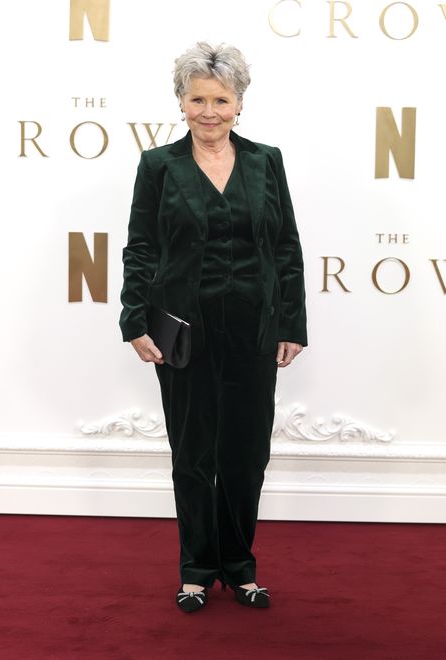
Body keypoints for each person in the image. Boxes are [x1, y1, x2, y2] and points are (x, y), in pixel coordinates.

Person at [119, 41, 307, 613]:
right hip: (183, 331)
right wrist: (134, 319)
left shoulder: (265, 160)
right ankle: (197, 569)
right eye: (197, 98)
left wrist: (292, 324)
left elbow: (286, 246)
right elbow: (142, 248)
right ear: (181, 102)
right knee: (194, 452)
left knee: (247, 453)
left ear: (239, 103)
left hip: (254, 329)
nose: (208, 111)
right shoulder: (158, 166)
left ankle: (240, 566)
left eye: (220, 99)